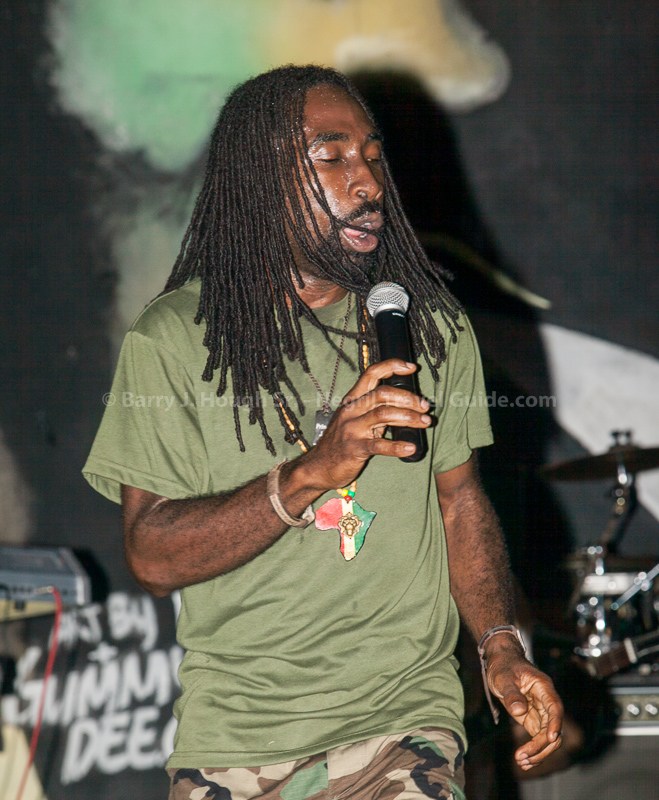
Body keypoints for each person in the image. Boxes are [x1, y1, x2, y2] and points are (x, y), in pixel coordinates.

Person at [84, 65, 562, 799]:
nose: (367, 183)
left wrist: (500, 646)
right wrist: (311, 472)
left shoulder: (431, 330)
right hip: (237, 739)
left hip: (400, 723)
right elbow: (151, 555)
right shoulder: (173, 341)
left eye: (372, 156)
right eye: (331, 158)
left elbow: (459, 503)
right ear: (259, 182)